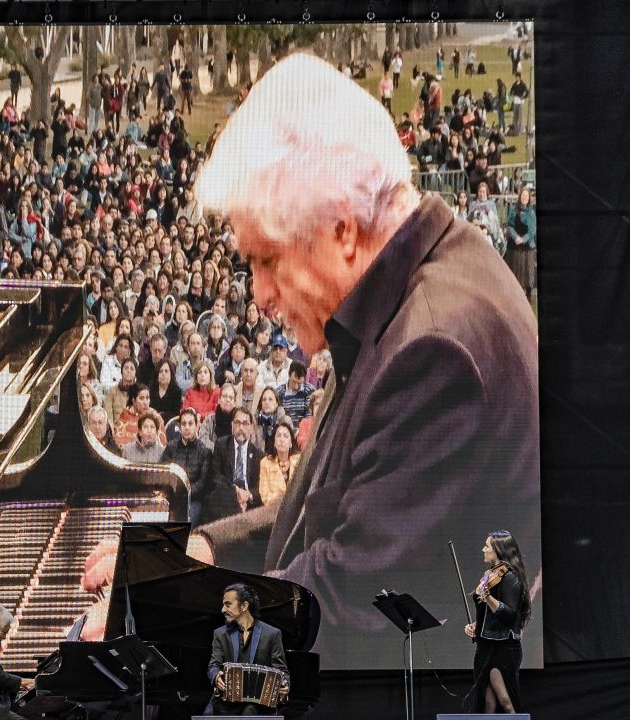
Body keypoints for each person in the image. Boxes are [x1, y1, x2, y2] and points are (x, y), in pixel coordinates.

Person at [191, 54, 539, 651]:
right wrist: (205, 550)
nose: (259, 293)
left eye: (267, 259)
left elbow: (352, 603)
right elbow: (338, 509)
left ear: (342, 230)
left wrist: (174, 612)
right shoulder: (401, 292)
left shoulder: (433, 353)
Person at [464, 531, 532, 714]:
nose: (483, 549)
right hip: (485, 646)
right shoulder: (489, 575)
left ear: (499, 551)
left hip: (504, 648)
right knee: (487, 705)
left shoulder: (510, 577)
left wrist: (488, 598)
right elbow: (488, 613)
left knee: (506, 702)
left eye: (487, 546)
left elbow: (509, 615)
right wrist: (477, 625)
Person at [206, 583, 289, 716]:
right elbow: (213, 665)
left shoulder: (272, 634)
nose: (222, 609)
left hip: (259, 705)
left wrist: (284, 685)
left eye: (228, 604)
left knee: (250, 712)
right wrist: (216, 676)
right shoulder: (220, 634)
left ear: (244, 606)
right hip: (226, 704)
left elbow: (281, 671)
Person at [202, 407, 263, 525]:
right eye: (237, 423)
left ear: (251, 428)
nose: (241, 428)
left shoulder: (258, 454)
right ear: (232, 425)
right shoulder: (221, 445)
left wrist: (248, 495)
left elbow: (261, 485)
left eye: (245, 424)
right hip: (226, 497)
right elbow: (215, 475)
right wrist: (235, 490)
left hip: (248, 501)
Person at [162, 408, 211, 525]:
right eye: (183, 424)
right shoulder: (170, 448)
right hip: (172, 498)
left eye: (190, 423)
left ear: (197, 426)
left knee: (184, 525)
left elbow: (202, 484)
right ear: (179, 427)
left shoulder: (205, 451)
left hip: (193, 501)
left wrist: (184, 493)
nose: (187, 427)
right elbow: (164, 476)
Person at [503, 187, 537, 299]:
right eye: (523, 196)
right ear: (520, 197)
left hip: (527, 245)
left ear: (529, 199)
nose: (524, 198)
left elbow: (532, 231)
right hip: (514, 243)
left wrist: (523, 239)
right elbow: (509, 225)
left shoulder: (531, 212)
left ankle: (527, 295)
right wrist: (516, 237)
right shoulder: (513, 210)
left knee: (527, 271)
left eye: (526, 197)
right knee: (514, 270)